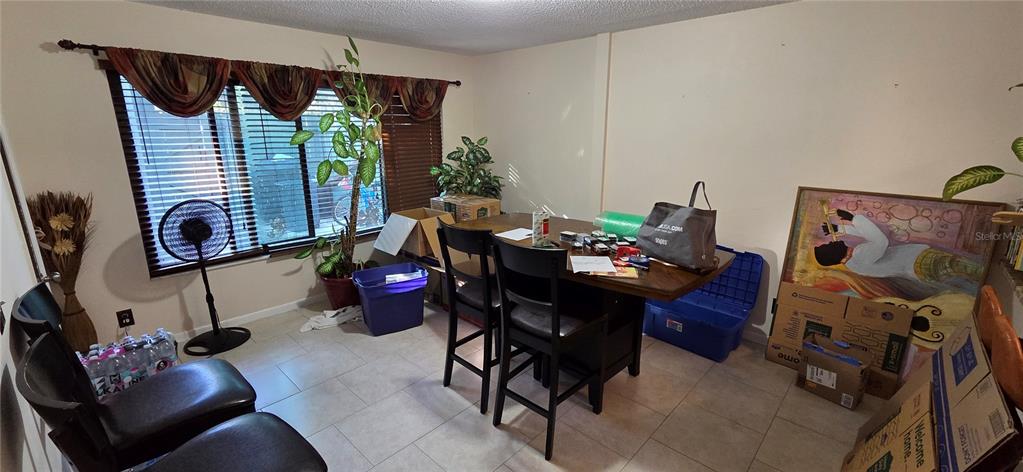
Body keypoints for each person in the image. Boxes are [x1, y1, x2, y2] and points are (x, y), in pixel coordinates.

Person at [814, 209, 982, 285]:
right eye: (829, 245)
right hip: (922, 262)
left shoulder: (854, 262)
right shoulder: (859, 256)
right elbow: (880, 241)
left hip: (921, 268)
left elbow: (871, 239)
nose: (831, 241)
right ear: (833, 253)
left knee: (971, 277)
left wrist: (841, 228)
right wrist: (852, 218)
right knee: (975, 271)